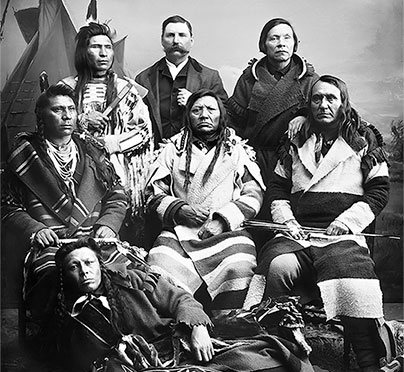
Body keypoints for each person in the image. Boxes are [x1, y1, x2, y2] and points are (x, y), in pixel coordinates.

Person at [47, 237, 384, 372]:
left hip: (182, 345)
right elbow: (73, 364)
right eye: (74, 267)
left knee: (256, 357)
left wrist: (197, 327)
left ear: (100, 263)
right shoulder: (71, 320)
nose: (84, 271)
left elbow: (181, 299)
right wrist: (110, 361)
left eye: (88, 262)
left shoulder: (133, 282)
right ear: (66, 276)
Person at [256, 74, 394, 372]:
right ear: (309, 104)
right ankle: (279, 351)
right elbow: (278, 188)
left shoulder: (363, 139)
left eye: (331, 98)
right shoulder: (295, 140)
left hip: (342, 234)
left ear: (343, 102)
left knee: (351, 277)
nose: (323, 104)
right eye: (317, 98)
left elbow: (379, 191)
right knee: (277, 266)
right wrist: (287, 221)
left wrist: (346, 222)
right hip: (297, 232)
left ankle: (369, 363)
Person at [1, 84, 128, 326]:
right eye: (58, 110)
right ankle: (58, 339)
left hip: (94, 237)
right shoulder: (25, 156)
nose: (67, 116)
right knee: (51, 275)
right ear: (42, 116)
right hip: (52, 243)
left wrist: (109, 224)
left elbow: (117, 195)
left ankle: (118, 333)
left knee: (124, 272)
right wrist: (35, 230)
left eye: (71, 109)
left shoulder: (92, 151)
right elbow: (7, 207)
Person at [145, 89, 266, 312]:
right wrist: (179, 210)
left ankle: (227, 323)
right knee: (159, 265)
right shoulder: (173, 148)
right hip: (180, 231)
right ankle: (181, 322)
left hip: (228, 232)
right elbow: (153, 193)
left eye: (211, 109)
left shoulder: (236, 149)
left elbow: (253, 193)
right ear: (188, 115)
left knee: (240, 265)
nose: (204, 115)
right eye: (197, 110)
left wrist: (223, 220)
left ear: (221, 115)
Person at [60, 22, 153, 225]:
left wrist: (108, 142)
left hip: (117, 171)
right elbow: (49, 128)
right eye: (96, 47)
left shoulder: (126, 90)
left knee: (114, 222)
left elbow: (144, 132)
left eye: (108, 47)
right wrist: (81, 120)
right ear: (83, 52)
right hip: (75, 170)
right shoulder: (66, 89)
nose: (103, 53)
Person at [227, 17, 318, 184]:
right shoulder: (249, 79)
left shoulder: (309, 79)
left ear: (294, 44)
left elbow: (327, 115)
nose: (281, 43)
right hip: (253, 159)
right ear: (264, 45)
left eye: (287, 38)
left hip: (294, 162)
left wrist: (305, 115)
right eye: (274, 38)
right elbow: (233, 122)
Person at [136, 15, 228, 146]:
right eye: (170, 35)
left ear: (191, 41)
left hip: (197, 152)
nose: (176, 40)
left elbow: (225, 115)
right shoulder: (143, 79)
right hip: (153, 151)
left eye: (182, 35)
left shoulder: (210, 77)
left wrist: (195, 102)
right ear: (162, 40)